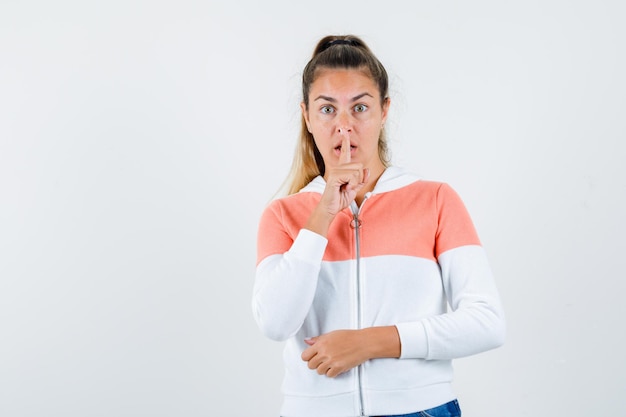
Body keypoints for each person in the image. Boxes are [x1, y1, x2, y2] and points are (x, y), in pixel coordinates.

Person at [252, 34, 505, 417]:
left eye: (360, 107)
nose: (343, 126)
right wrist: (322, 215)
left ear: (384, 110)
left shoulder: (436, 200)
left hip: (420, 409)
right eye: (327, 110)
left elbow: (487, 322)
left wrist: (371, 342)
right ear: (306, 116)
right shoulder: (283, 215)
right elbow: (274, 322)